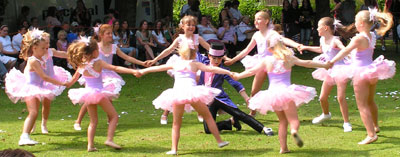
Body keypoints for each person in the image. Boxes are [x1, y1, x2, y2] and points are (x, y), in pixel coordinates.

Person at [233, 31, 329, 154]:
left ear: (269, 48)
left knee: (282, 121)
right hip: (287, 92)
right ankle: (294, 131)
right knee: (293, 120)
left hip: (273, 94)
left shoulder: (267, 61)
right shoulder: (288, 58)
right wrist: (324, 65)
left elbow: (251, 72)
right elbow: (307, 63)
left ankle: (283, 148)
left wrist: (238, 76)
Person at [136, 44, 230, 155]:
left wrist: (143, 71)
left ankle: (174, 149)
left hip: (178, 93)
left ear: (180, 54)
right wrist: (229, 72)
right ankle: (219, 141)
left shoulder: (175, 64)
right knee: (208, 116)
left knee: (176, 123)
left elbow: (158, 68)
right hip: (192, 93)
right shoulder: (195, 64)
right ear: (195, 54)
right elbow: (211, 68)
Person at [328, 9, 395, 144]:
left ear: (362, 23)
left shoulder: (359, 38)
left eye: (357, 21)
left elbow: (346, 50)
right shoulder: (371, 35)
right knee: (370, 101)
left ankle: (371, 134)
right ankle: (375, 127)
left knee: (362, 105)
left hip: (361, 72)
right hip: (372, 70)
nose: (355, 24)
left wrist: (331, 62)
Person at [66, 37, 137, 151]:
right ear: (94, 52)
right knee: (114, 116)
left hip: (88, 94)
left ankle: (90, 145)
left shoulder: (81, 65)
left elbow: (73, 80)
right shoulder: (98, 62)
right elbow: (115, 67)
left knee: (93, 121)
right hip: (98, 93)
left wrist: (64, 84)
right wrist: (133, 71)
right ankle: (109, 139)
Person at [224, 11, 301, 116]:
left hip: (273, 63)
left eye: (259, 19)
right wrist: (233, 60)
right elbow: (246, 50)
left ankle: (285, 110)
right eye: (255, 19)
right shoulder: (256, 34)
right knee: (254, 90)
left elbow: (283, 39)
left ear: (266, 21)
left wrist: (297, 45)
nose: (256, 21)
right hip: (261, 63)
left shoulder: (272, 33)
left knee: (278, 87)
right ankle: (252, 111)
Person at [73, 24, 146, 130]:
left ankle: (110, 119)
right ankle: (78, 121)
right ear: (101, 35)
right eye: (108, 33)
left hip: (109, 73)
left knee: (108, 95)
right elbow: (86, 59)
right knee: (90, 98)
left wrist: (142, 63)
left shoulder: (114, 47)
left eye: (111, 33)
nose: (111, 35)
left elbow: (127, 57)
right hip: (96, 75)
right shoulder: (95, 47)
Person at [4, 29, 68, 145]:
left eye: (46, 48)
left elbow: (60, 57)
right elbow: (45, 77)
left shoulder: (39, 58)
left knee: (34, 112)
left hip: (39, 87)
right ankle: (24, 136)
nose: (45, 50)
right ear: (34, 48)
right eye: (43, 48)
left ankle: (27, 134)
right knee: (33, 112)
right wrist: (62, 83)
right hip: (31, 88)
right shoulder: (33, 61)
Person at [198, 42, 274, 136]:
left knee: (239, 114)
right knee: (208, 130)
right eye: (214, 58)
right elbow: (193, 46)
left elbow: (235, 84)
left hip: (219, 98)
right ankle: (230, 122)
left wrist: (246, 98)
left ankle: (264, 128)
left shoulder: (224, 70)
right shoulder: (202, 63)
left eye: (220, 58)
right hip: (207, 100)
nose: (217, 61)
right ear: (209, 56)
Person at [299, 17, 353, 132]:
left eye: (318, 26)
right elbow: (321, 49)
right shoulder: (322, 40)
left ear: (325, 28)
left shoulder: (335, 40)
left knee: (341, 97)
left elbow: (345, 49)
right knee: (322, 98)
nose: (316, 28)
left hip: (340, 69)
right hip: (328, 69)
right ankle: (326, 114)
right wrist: (306, 47)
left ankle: (346, 122)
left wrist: (350, 57)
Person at [29, 30, 72, 134]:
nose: (47, 45)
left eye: (48, 43)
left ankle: (44, 123)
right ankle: (32, 123)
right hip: (38, 81)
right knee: (35, 105)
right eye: (45, 43)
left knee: (46, 103)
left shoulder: (50, 51)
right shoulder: (36, 55)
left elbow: (61, 54)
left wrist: (73, 55)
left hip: (50, 79)